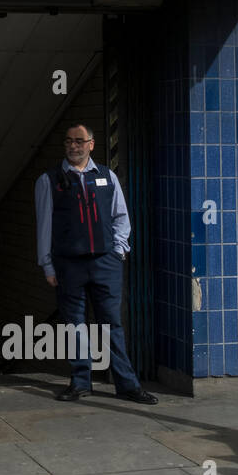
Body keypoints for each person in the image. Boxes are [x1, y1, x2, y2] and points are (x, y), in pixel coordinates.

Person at [34, 123, 157, 405]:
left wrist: (118, 251)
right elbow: (44, 226)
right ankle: (80, 382)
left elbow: (121, 216)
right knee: (74, 325)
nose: (73, 146)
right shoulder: (49, 180)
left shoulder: (107, 176)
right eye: (68, 142)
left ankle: (127, 385)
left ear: (91, 144)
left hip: (106, 263)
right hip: (69, 266)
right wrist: (48, 266)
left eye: (79, 141)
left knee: (111, 324)